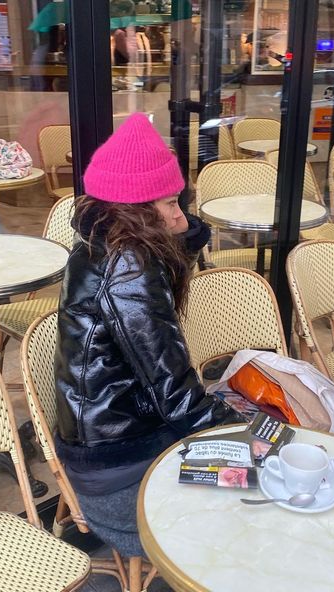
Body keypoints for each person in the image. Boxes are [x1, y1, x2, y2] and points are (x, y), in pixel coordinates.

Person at [55, 113, 243, 557]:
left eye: (179, 198)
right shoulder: (129, 267)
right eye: (167, 203)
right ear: (135, 212)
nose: (180, 213)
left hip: (111, 443)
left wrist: (183, 232)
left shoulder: (102, 243)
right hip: (125, 474)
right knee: (256, 495)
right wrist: (244, 435)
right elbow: (174, 391)